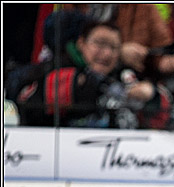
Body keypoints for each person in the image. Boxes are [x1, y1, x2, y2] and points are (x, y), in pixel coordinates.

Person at [8, 18, 158, 128]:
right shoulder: (56, 70)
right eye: (100, 43)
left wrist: (150, 92)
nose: (106, 54)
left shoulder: (122, 74)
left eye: (114, 48)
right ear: (81, 43)